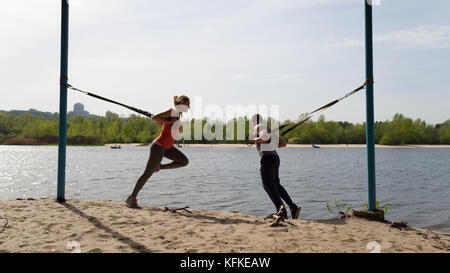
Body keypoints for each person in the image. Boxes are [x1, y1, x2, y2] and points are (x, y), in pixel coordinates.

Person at [126, 95, 190, 208]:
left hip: (167, 147)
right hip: (158, 147)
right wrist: (167, 121)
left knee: (184, 161)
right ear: (182, 105)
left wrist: (165, 121)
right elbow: (156, 118)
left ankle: (159, 167)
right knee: (147, 173)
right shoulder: (172, 112)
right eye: (187, 105)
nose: (189, 107)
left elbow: (160, 122)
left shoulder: (177, 117)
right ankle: (132, 198)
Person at [248, 114, 301, 219]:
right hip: (275, 157)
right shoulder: (269, 129)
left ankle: (281, 210)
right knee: (276, 184)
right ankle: (293, 207)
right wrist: (269, 143)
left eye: (251, 122)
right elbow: (283, 143)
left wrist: (253, 140)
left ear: (254, 121)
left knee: (267, 185)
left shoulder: (258, 126)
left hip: (267, 158)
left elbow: (264, 137)